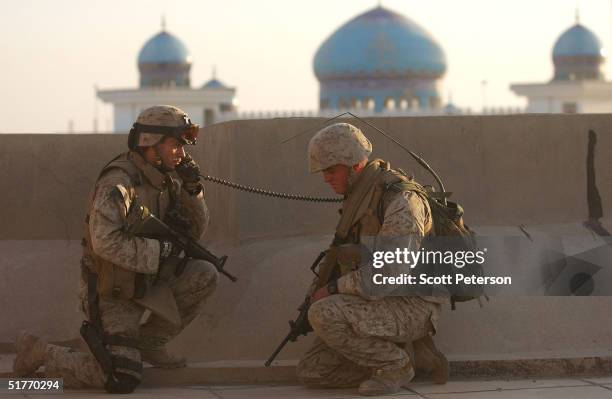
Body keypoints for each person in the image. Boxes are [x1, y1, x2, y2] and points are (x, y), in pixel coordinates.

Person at [12, 105, 218, 393]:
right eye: (175, 145)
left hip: (148, 280)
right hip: (112, 292)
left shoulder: (166, 180)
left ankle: (148, 343)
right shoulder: (118, 183)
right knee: (121, 377)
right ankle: (42, 352)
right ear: (151, 143)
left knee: (205, 274)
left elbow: (194, 232)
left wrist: (193, 189)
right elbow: (105, 242)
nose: (181, 154)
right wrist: (159, 253)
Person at [296, 123, 449, 396]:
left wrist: (332, 290)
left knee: (323, 313)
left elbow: (391, 269)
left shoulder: (400, 199)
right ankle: (411, 356)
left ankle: (396, 365)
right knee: (313, 371)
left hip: (413, 304)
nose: (326, 179)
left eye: (331, 170)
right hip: (376, 300)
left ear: (353, 164)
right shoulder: (360, 197)